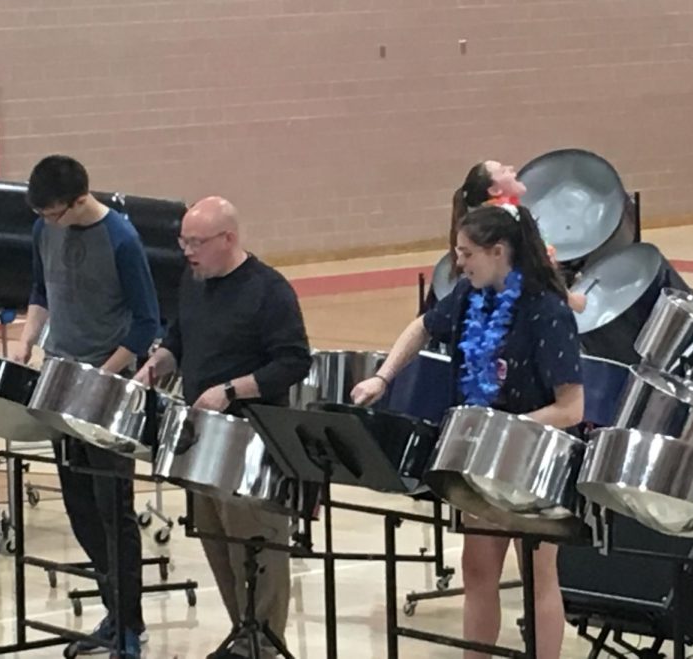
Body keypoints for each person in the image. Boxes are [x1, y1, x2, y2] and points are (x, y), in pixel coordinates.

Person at [352, 187, 584, 659]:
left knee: (539, 575)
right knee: (478, 572)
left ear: (499, 253)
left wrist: (502, 430)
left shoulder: (547, 310)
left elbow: (571, 409)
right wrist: (383, 376)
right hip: (481, 460)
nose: (459, 264)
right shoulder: (468, 296)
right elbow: (423, 326)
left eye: (466, 254)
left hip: (533, 461)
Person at [134, 196, 311, 659]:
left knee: (256, 547)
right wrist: (156, 366)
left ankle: (265, 643)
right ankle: (242, 633)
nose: (187, 251)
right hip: (202, 439)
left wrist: (231, 390)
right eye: (183, 242)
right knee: (215, 540)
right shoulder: (193, 282)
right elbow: (178, 340)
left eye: (196, 242)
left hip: (252, 441)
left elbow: (293, 362)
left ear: (228, 239)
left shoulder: (269, 290)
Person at [11, 155, 160, 657]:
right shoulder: (44, 229)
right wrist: (27, 337)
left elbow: (145, 324)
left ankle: (131, 627)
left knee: (112, 507)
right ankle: (113, 612)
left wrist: (103, 372)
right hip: (60, 380)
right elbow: (40, 288)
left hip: (106, 385)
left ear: (78, 201)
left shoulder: (121, 239)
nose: (47, 222)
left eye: (53, 213)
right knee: (78, 506)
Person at [447, 160, 587, 313]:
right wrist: (569, 298)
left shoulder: (490, 216)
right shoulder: (507, 219)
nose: (511, 168)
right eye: (502, 170)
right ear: (495, 190)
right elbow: (535, 262)